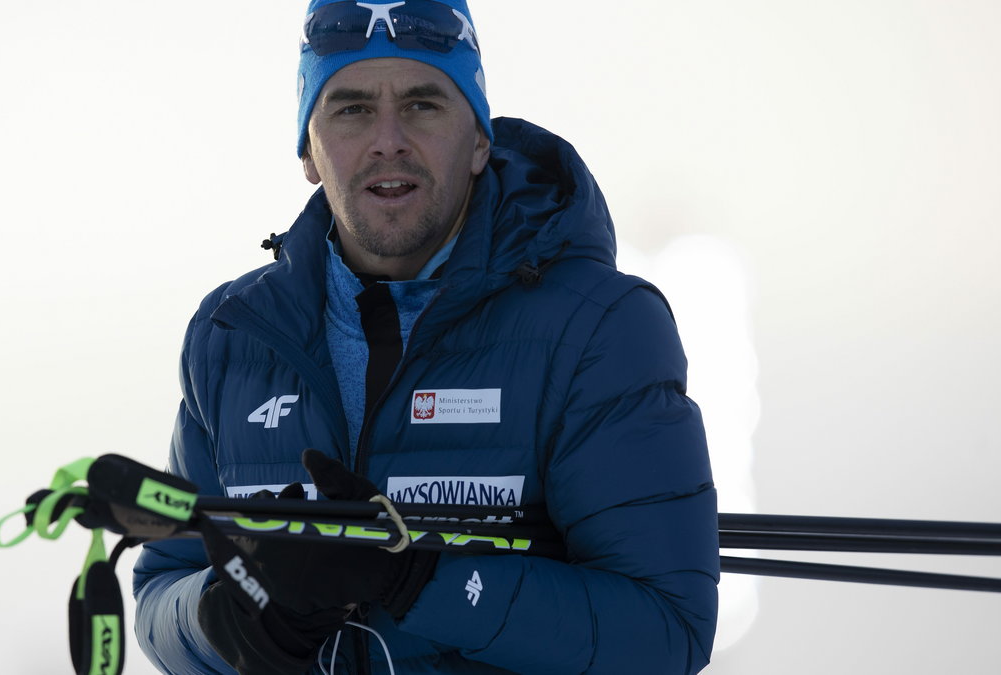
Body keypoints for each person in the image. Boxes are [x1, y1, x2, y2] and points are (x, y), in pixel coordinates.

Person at [132, 1, 719, 673]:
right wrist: (229, 620)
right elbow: (162, 589)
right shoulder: (233, 336)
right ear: (309, 152)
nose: (388, 139)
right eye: (351, 109)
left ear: (477, 141)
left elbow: (666, 630)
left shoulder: (596, 329)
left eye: (422, 105)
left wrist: (412, 581)